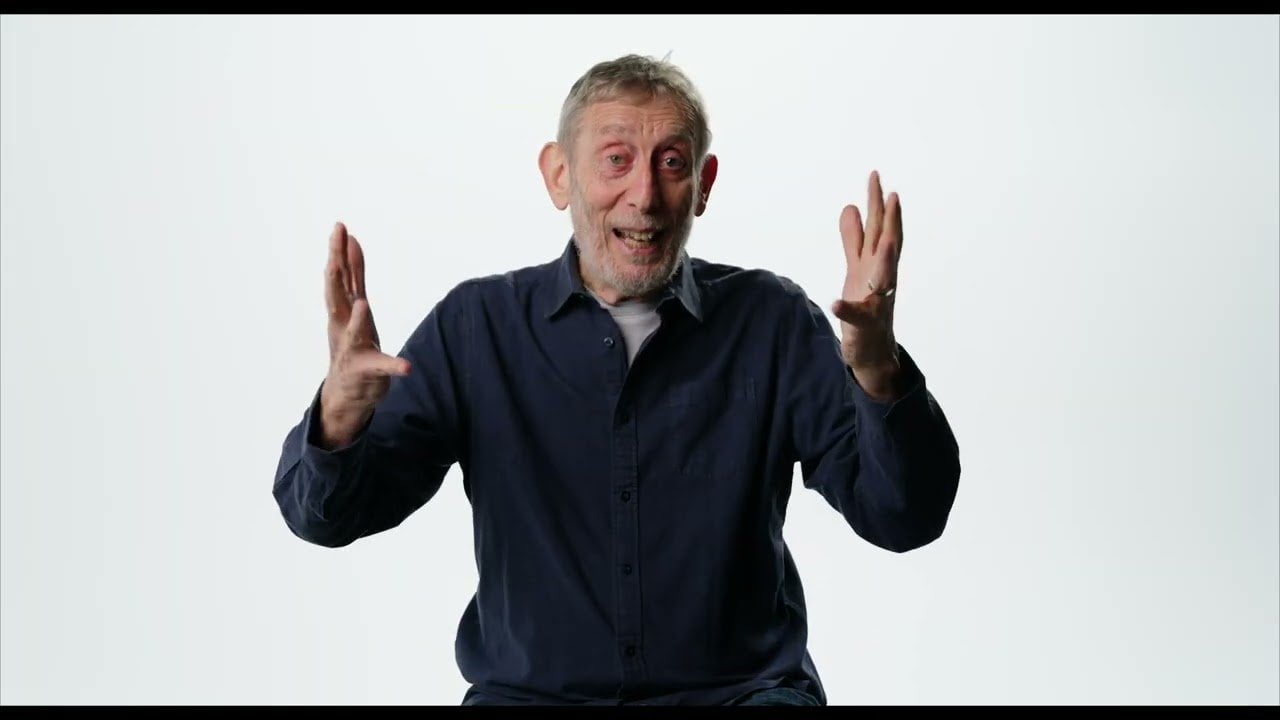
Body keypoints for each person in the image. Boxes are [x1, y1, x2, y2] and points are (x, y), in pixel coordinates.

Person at [272, 54, 961, 706]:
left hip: (741, 693)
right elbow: (322, 519)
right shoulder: (476, 326)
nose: (645, 196)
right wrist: (339, 416)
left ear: (704, 183)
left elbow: (904, 517)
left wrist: (877, 369)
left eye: (671, 163)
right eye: (616, 160)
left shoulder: (771, 321)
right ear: (559, 176)